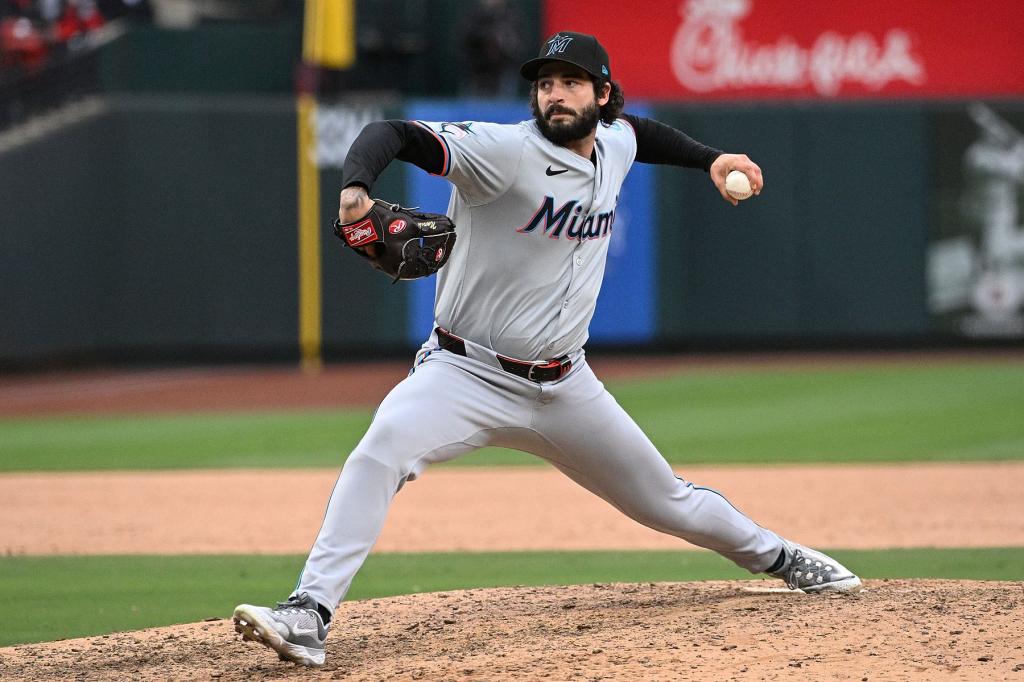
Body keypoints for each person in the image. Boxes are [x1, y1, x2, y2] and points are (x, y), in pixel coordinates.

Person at [233, 30, 862, 668]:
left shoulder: (614, 143)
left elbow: (643, 135)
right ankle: (309, 611)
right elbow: (390, 133)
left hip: (566, 388)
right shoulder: (503, 151)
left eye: (570, 82)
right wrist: (355, 190)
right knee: (381, 450)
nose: (554, 94)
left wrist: (712, 159)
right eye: (544, 83)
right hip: (462, 372)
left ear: (602, 95)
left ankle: (782, 556)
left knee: (666, 501)